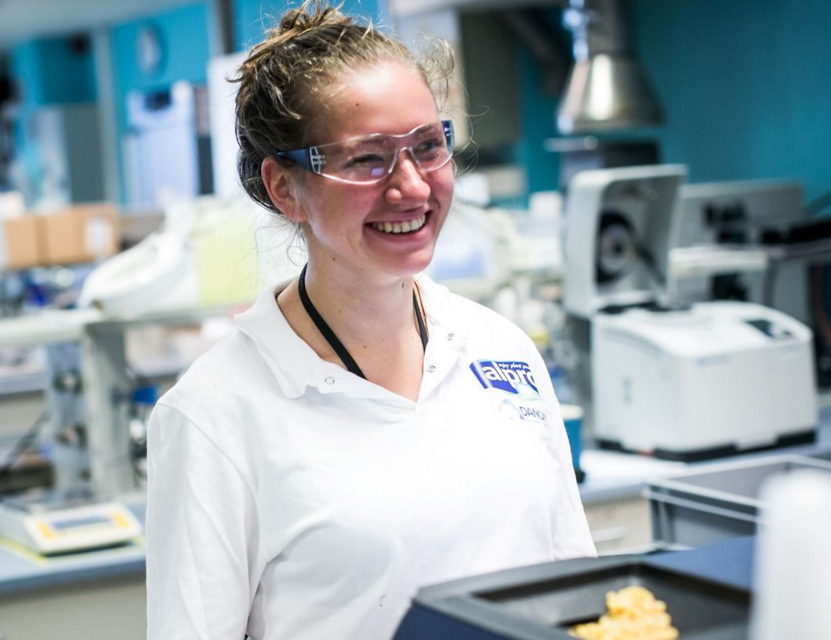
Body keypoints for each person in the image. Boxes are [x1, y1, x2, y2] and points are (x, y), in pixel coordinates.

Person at [144, 3, 595, 638]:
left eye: (428, 146)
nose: (411, 186)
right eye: (366, 159)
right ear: (285, 188)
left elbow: (577, 588)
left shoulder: (501, 347)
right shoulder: (216, 415)